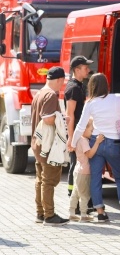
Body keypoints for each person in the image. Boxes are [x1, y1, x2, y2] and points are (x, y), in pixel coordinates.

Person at [71, 73, 120, 222]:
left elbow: (81, 126)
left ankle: (100, 212)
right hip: (113, 144)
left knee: (96, 178)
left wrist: (73, 144)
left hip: (96, 142)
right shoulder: (119, 98)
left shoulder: (90, 103)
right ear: (106, 85)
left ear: (91, 86)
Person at [31, 66, 70, 226]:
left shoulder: (39, 93)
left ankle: (40, 213)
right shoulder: (51, 95)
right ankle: (49, 215)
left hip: (37, 144)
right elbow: (47, 119)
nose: (62, 85)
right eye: (62, 82)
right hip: (48, 146)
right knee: (48, 181)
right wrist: (62, 119)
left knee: (40, 179)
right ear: (60, 80)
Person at [65, 55, 93, 211]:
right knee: (76, 166)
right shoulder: (73, 88)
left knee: (79, 166)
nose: (88, 70)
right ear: (76, 70)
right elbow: (70, 115)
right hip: (76, 134)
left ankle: (82, 201)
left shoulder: (80, 85)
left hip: (80, 133)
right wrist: (71, 139)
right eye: (85, 67)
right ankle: (74, 203)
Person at [69, 118, 104, 222]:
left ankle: (71, 213)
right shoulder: (84, 141)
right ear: (83, 129)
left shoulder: (78, 139)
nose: (92, 132)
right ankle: (83, 215)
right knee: (85, 194)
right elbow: (89, 154)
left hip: (78, 170)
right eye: (91, 130)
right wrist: (97, 142)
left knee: (75, 192)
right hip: (84, 172)